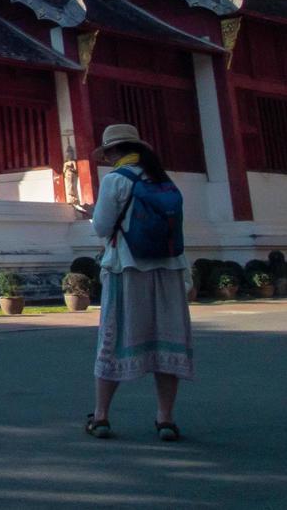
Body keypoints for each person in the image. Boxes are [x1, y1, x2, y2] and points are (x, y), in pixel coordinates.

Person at [86, 124, 193, 441]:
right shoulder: (163, 180)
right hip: (169, 269)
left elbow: (102, 227)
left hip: (128, 268)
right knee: (167, 340)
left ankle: (102, 416)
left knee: (113, 340)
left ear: (112, 152)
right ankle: (166, 420)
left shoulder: (115, 180)